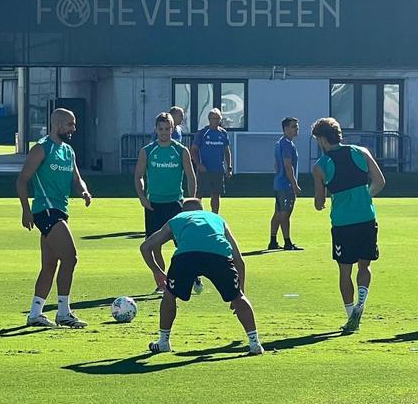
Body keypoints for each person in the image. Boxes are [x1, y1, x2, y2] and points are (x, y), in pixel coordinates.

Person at [140, 198, 264, 355]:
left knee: (169, 295)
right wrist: (240, 290)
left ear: (183, 211)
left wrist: (157, 271)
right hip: (218, 256)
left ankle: (163, 341)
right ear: (203, 210)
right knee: (238, 297)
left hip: (186, 256)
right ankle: (255, 343)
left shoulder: (178, 219)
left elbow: (145, 247)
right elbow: (239, 260)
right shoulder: (217, 219)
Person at [17, 108, 92, 328]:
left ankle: (35, 314)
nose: (73, 129)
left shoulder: (68, 151)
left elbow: (77, 178)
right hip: (45, 210)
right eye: (70, 124)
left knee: (50, 264)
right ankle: (63, 312)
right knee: (71, 257)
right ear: (58, 125)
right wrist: (25, 210)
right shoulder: (41, 149)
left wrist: (84, 192)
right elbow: (22, 180)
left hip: (60, 210)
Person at [311, 117, 385, 332]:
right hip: (366, 218)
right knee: (365, 265)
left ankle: (351, 315)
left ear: (323, 139)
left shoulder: (320, 166)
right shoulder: (361, 152)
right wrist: (364, 197)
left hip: (343, 223)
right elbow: (380, 182)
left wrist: (322, 202)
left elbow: (319, 201)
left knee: (345, 271)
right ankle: (362, 302)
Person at [134, 112, 198, 294]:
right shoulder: (147, 151)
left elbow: (191, 176)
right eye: (160, 129)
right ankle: (162, 281)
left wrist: (191, 202)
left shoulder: (181, 150)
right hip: (154, 204)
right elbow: (138, 176)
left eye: (167, 129)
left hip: (175, 204)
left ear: (173, 129)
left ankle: (191, 275)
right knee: (154, 245)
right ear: (156, 129)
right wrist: (142, 197)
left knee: (183, 244)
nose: (164, 132)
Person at [270, 117, 303, 250]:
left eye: (297, 126)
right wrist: (294, 184)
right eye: (294, 126)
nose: (297, 128)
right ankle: (287, 242)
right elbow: (288, 165)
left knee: (278, 212)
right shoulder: (287, 144)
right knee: (285, 213)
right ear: (286, 128)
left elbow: (276, 165)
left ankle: (272, 241)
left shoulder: (280, 143)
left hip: (279, 183)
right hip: (285, 185)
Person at [190, 108, 232, 214]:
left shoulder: (223, 133)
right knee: (199, 194)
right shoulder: (203, 133)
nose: (216, 120)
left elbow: (227, 151)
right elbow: (194, 150)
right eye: (213, 118)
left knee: (216, 195)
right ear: (209, 119)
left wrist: (229, 167)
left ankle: (214, 216)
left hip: (218, 169)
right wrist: (199, 164)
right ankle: (197, 215)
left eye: (218, 118)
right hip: (204, 169)